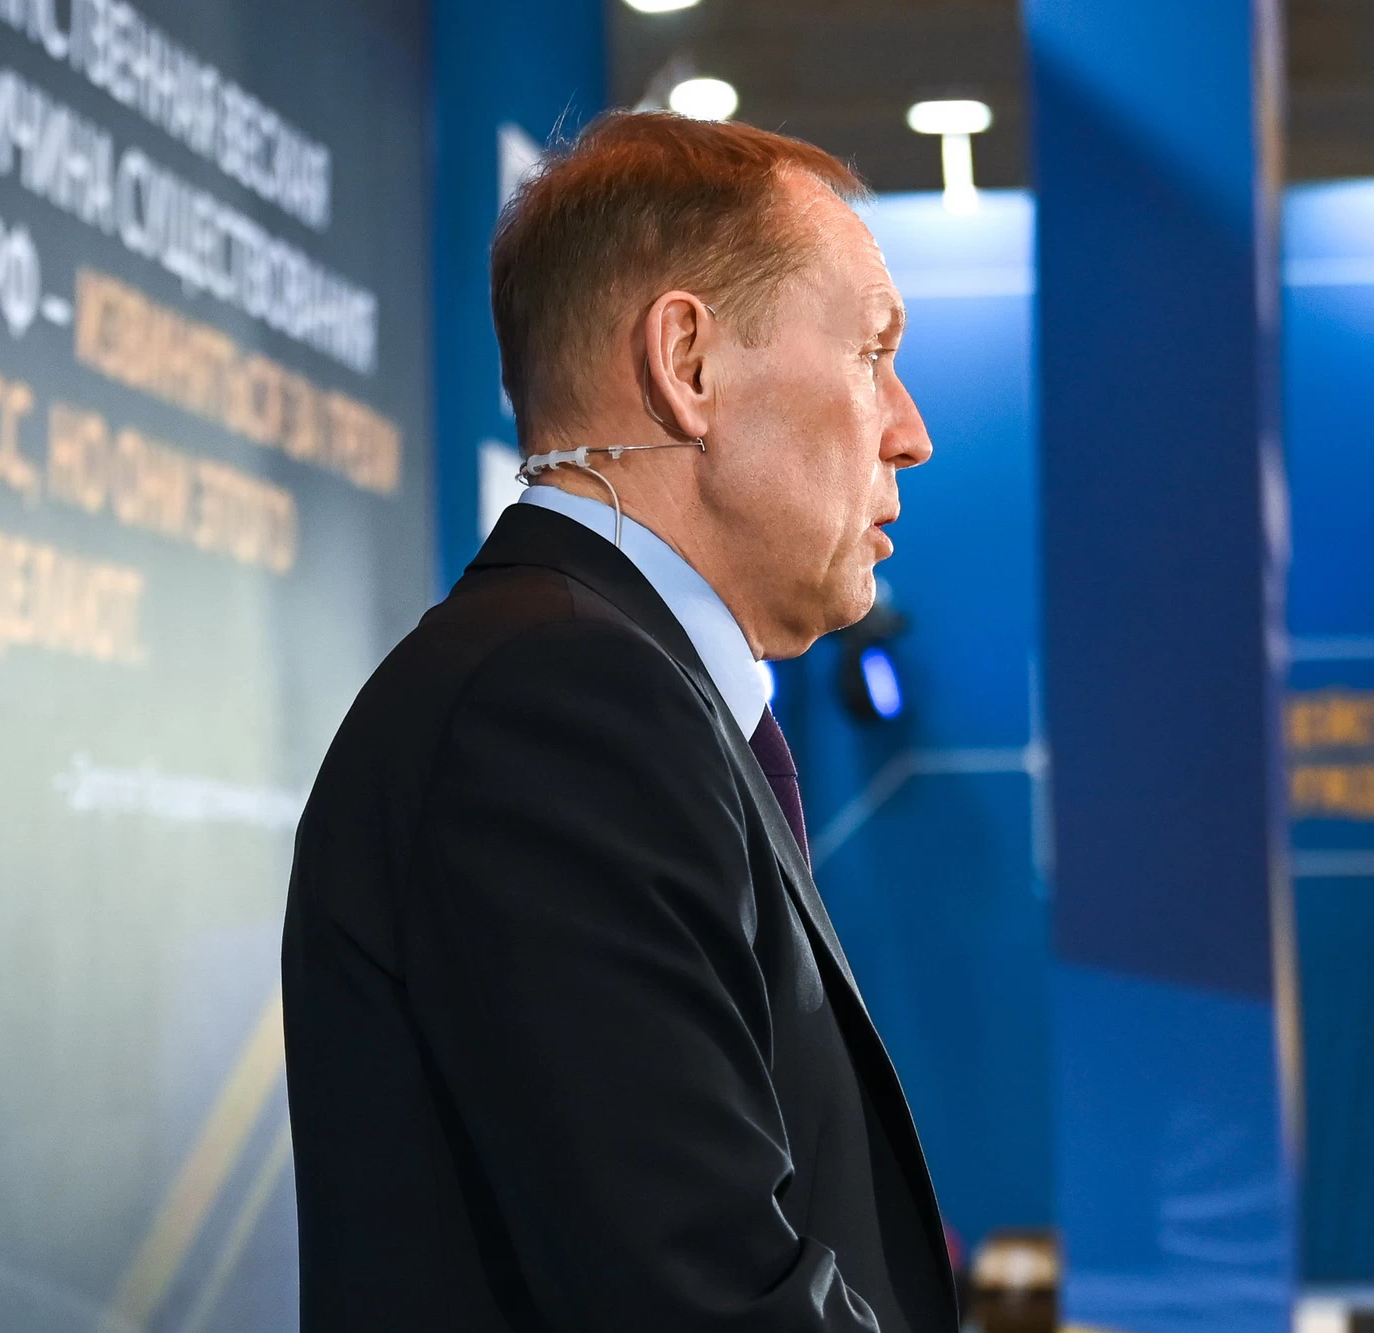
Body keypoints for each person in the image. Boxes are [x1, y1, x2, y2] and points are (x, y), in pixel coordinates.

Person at [281, 111, 948, 1331]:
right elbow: (705, 1302)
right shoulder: (560, 704)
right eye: (871, 352)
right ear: (688, 364)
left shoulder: (604, 687)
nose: (909, 430)